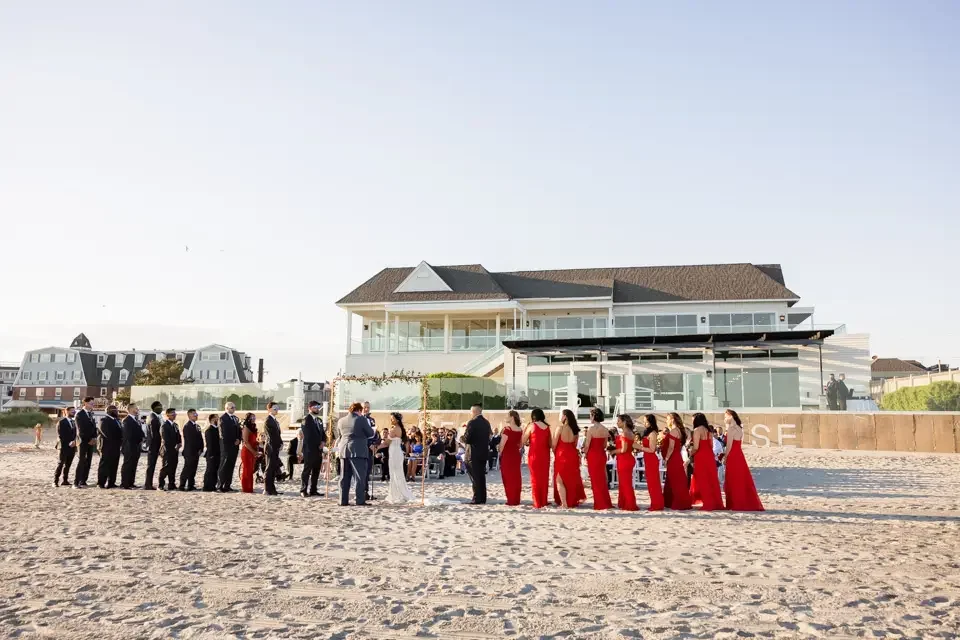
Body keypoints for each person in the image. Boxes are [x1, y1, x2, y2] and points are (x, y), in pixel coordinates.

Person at [721, 409, 765, 511]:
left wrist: (725, 457)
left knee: (732, 478)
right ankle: (741, 501)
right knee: (741, 478)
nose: (724, 419)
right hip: (739, 455)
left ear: (730, 416)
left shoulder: (731, 429)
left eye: (725, 416)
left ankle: (734, 503)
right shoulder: (740, 428)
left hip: (732, 455)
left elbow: (729, 446)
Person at [335, 402, 375, 506]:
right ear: (359, 410)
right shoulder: (361, 419)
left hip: (344, 450)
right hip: (358, 450)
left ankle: (343, 500)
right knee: (359, 477)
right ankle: (359, 500)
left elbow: (339, 435)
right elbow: (370, 433)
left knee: (344, 477)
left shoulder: (341, 420)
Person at [690, 413, 724, 510]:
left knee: (702, 478)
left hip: (700, 455)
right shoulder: (709, 431)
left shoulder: (697, 430)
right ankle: (715, 502)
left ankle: (707, 502)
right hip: (709, 455)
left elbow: (696, 447)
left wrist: (691, 452)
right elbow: (711, 445)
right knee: (711, 478)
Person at [552, 409, 586, 508]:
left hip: (561, 455)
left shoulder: (560, 428)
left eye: (561, 415)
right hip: (572, 454)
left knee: (559, 479)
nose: (560, 417)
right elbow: (575, 445)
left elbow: (554, 444)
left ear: (565, 416)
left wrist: (555, 453)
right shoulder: (575, 430)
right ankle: (570, 500)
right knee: (571, 479)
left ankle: (564, 503)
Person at [582, 407, 613, 510]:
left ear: (594, 416)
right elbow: (604, 445)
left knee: (595, 480)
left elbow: (587, 445)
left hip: (593, 455)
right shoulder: (605, 429)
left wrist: (584, 453)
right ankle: (605, 501)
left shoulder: (591, 429)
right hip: (601, 454)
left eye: (590, 415)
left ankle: (599, 503)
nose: (589, 417)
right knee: (602, 479)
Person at [379, 412, 414, 504]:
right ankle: (397, 493)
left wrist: (377, 447)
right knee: (397, 473)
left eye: (392, 419)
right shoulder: (400, 429)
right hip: (396, 452)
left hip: (394, 452)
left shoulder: (394, 429)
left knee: (395, 473)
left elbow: (387, 443)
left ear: (397, 420)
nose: (391, 420)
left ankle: (396, 494)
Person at [461, 404, 492, 505]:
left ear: (474, 411)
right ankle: (482, 497)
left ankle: (477, 498)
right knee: (481, 476)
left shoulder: (472, 422)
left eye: (471, 412)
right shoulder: (486, 423)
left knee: (475, 477)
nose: (470, 414)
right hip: (483, 453)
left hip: (472, 453)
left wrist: (461, 437)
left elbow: (467, 439)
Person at [661, 413, 692, 510]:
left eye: (668, 419)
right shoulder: (679, 430)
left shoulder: (674, 430)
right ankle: (669, 501)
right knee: (672, 479)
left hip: (673, 458)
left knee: (674, 479)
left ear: (672, 420)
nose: (666, 420)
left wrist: (666, 458)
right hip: (676, 457)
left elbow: (671, 447)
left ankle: (675, 501)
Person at [523, 408, 552, 508]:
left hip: (534, 455)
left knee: (535, 478)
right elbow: (550, 444)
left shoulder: (532, 426)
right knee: (544, 478)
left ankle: (537, 502)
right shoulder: (547, 427)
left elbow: (523, 441)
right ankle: (543, 500)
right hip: (545, 455)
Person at [298, 401, 326, 497]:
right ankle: (303, 489)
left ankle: (313, 489)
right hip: (309, 449)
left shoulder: (319, 420)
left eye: (318, 407)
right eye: (314, 407)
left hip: (319, 449)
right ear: (309, 408)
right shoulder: (305, 419)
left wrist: (323, 441)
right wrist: (316, 444)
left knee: (316, 470)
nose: (317, 409)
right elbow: (307, 434)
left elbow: (323, 433)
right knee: (307, 470)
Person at [636, 414, 664, 511]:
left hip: (651, 459)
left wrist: (639, 447)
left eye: (646, 421)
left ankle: (657, 504)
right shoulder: (647, 432)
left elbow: (652, 449)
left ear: (651, 422)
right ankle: (655, 502)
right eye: (644, 421)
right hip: (647, 459)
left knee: (654, 483)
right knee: (651, 483)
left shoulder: (652, 433)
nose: (644, 423)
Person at [498, 411, 523, 506]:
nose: (506, 418)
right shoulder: (520, 429)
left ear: (512, 417)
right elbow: (520, 444)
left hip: (508, 456)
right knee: (516, 477)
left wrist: (499, 451)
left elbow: (502, 445)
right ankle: (516, 499)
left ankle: (511, 499)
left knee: (507, 477)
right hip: (516, 455)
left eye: (507, 416)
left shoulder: (507, 429)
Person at [615, 414, 639, 511]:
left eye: (619, 421)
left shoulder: (625, 433)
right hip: (627, 458)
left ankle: (630, 504)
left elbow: (624, 449)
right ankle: (624, 502)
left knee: (625, 483)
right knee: (625, 482)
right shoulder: (630, 433)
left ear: (624, 422)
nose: (617, 423)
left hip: (624, 459)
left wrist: (613, 451)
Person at [96, 404, 123, 489]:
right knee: (104, 465)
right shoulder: (104, 420)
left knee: (114, 465)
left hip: (116, 446)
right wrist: (119, 437)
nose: (116, 411)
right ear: (108, 411)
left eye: (116, 410)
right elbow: (107, 434)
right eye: (114, 410)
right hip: (106, 447)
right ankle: (101, 483)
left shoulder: (117, 420)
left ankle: (111, 482)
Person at [73, 397, 98, 489]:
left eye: (93, 403)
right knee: (81, 461)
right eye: (91, 403)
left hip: (91, 441)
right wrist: (89, 439)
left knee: (88, 461)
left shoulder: (90, 414)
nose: (93, 405)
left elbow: (94, 427)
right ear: (85, 404)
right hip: (83, 441)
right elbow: (81, 430)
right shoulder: (79, 414)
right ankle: (76, 482)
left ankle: (83, 480)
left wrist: (94, 437)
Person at [217, 402, 241, 492]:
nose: (234, 409)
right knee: (224, 465)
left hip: (235, 446)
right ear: (226, 408)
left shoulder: (235, 418)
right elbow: (224, 433)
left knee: (231, 465)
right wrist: (233, 441)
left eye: (234, 407)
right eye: (232, 407)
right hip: (227, 446)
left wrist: (238, 439)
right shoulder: (223, 418)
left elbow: (238, 430)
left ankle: (227, 485)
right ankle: (220, 485)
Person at [261, 402, 283, 496]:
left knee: (273, 468)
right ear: (269, 409)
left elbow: (278, 434)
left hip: (275, 446)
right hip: (270, 446)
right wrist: (278, 443)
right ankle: (266, 489)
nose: (277, 409)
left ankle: (272, 488)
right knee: (269, 468)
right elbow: (271, 436)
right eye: (274, 408)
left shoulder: (275, 421)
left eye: (277, 408)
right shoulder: (268, 420)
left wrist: (281, 442)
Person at [157, 408, 182, 491]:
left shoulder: (175, 425)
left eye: (175, 413)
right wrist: (173, 446)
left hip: (175, 450)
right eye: (172, 413)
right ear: (167, 415)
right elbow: (165, 439)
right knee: (165, 467)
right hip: (167, 450)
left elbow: (178, 436)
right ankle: (160, 484)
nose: (174, 415)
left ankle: (172, 484)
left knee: (173, 467)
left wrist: (179, 443)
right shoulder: (164, 425)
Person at [120, 403, 144, 489]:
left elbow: (140, 431)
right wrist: (138, 438)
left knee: (134, 465)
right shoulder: (126, 420)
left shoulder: (136, 420)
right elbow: (128, 435)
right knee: (128, 465)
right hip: (129, 446)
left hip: (136, 446)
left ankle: (131, 482)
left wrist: (142, 437)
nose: (137, 410)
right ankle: (125, 483)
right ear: (130, 409)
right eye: (136, 408)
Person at [179, 409, 204, 491]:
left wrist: (201, 448)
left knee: (193, 469)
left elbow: (200, 439)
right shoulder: (187, 426)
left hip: (196, 452)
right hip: (189, 452)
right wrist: (196, 449)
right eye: (194, 414)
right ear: (189, 415)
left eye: (196, 414)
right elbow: (190, 440)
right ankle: (182, 485)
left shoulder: (197, 426)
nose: (196, 415)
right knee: (187, 468)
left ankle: (191, 484)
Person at [54, 408, 77, 488]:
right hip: (63, 447)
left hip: (72, 446)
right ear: (66, 412)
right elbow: (60, 435)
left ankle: (65, 480)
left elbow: (76, 434)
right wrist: (69, 442)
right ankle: (55, 481)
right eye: (72, 411)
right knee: (60, 463)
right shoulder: (61, 422)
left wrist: (74, 441)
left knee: (68, 464)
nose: (74, 412)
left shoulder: (74, 422)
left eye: (74, 411)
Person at [144, 401, 163, 490]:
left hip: (154, 445)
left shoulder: (155, 417)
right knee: (151, 465)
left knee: (151, 465)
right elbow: (155, 434)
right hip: (154, 445)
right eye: (159, 407)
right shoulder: (153, 418)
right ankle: (148, 484)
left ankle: (149, 483)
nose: (161, 408)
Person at [239, 413, 260, 494]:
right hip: (247, 451)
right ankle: (246, 488)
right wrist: (254, 451)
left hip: (253, 451)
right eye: (252, 417)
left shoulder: (253, 427)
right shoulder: (246, 428)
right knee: (246, 470)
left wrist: (257, 448)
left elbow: (255, 439)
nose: (254, 418)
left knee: (250, 470)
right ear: (248, 418)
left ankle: (250, 488)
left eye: (254, 417)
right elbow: (246, 442)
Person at [362, 402, 379, 499]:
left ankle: (366, 491)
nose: (366, 409)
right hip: (362, 447)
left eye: (368, 407)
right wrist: (368, 444)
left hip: (370, 448)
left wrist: (374, 443)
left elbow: (374, 433)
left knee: (368, 470)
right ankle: (362, 491)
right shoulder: (360, 419)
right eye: (365, 407)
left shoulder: (371, 420)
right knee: (363, 471)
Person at [202, 414, 220, 492]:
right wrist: (212, 454)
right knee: (210, 470)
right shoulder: (209, 430)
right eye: (217, 419)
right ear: (212, 420)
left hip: (217, 453)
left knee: (215, 470)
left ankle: (212, 485)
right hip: (212, 454)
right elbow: (210, 444)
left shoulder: (217, 429)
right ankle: (207, 486)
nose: (218, 420)